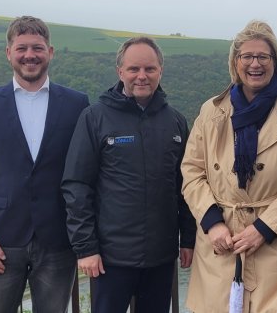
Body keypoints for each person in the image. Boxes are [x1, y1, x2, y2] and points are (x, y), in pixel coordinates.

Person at [181, 20, 277, 313]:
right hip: (222, 241)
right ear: (236, 62)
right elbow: (192, 171)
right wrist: (212, 223)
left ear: (276, 63)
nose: (255, 64)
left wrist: (264, 228)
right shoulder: (211, 111)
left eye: (263, 57)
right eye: (247, 56)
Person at [0, 16, 89, 313]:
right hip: (0, 241)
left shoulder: (76, 104)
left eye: (37, 48)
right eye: (21, 48)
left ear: (50, 52)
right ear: (9, 53)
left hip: (58, 240)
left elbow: (84, 171)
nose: (29, 55)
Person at [61, 37, 196, 313]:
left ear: (161, 70)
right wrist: (86, 248)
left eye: (150, 69)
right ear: (120, 71)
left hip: (161, 256)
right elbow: (77, 186)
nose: (142, 76)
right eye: (134, 69)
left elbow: (186, 186)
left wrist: (189, 239)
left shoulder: (176, 121)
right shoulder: (94, 118)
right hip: (110, 259)